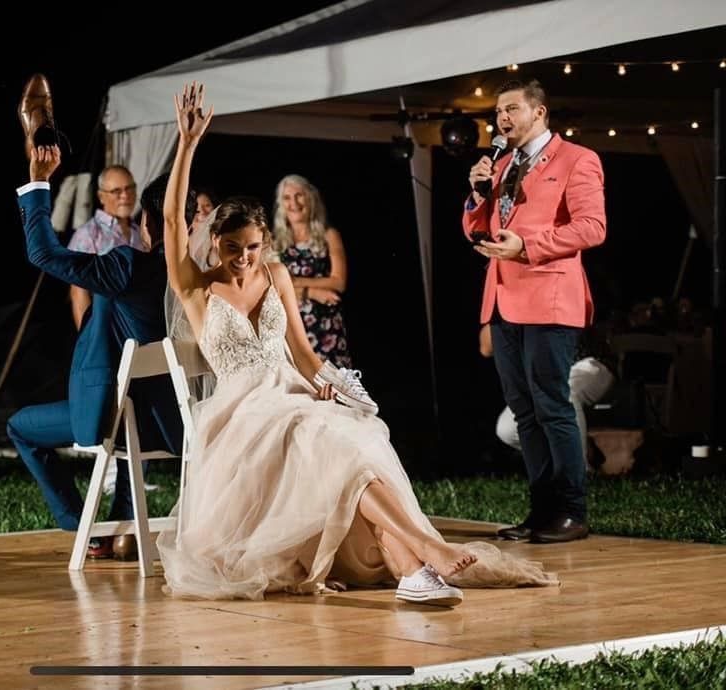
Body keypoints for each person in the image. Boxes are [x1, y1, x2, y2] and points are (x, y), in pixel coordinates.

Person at [155, 82, 558, 605]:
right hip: (242, 412)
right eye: (232, 249)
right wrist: (186, 145)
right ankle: (421, 550)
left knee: (356, 434)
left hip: (290, 393)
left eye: (252, 248)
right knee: (322, 439)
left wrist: (333, 387)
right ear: (214, 243)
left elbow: (302, 354)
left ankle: (412, 569)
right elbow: (168, 220)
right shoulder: (196, 288)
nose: (243, 259)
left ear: (264, 243)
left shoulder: (275, 273)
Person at [8, 74, 184, 560]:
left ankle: (80, 524)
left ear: (148, 224)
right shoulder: (200, 277)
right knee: (133, 403)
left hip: (118, 416)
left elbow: (44, 254)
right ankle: (125, 530)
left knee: (20, 427)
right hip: (176, 425)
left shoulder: (130, 265)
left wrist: (39, 181)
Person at [464, 78, 606, 543]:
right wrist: (477, 194)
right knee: (524, 413)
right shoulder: (502, 163)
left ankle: (572, 511)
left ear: (539, 112)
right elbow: (478, 228)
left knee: (551, 406)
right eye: (499, 112)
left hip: (549, 297)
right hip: (504, 298)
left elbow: (591, 228)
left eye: (511, 109)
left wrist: (529, 245)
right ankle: (542, 511)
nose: (502, 118)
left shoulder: (578, 160)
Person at [479, 325, 615, 461]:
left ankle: (578, 472)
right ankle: (576, 445)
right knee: (507, 429)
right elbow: (487, 348)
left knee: (563, 393)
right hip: (545, 377)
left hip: (588, 363)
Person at [271, 174, 353, 368]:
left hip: (326, 325)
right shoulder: (275, 243)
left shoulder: (329, 235)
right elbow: (272, 287)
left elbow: (338, 281)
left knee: (336, 387)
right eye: (287, 198)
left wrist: (294, 282)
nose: (294, 203)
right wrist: (312, 292)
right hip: (292, 326)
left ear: (310, 198)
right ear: (281, 205)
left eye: (299, 195)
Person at [67, 165, 145, 330]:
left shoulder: (141, 232)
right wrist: (90, 339)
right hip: (106, 328)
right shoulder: (88, 235)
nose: (125, 195)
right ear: (101, 196)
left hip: (139, 327)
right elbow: (79, 293)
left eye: (129, 188)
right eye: (116, 191)